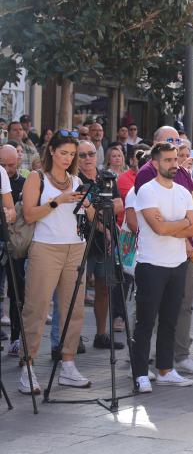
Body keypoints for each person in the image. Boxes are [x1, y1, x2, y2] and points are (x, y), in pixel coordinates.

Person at [20, 130, 92, 394]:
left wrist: (90, 201)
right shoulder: (37, 178)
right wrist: (57, 201)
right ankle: (27, 368)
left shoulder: (75, 179)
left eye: (72, 154)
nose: (68, 158)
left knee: (73, 309)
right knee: (37, 309)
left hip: (75, 247)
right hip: (45, 247)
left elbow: (90, 214)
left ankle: (69, 365)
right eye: (63, 153)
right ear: (51, 151)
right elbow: (29, 215)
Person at [135, 126, 193, 376]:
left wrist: (176, 226)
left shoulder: (183, 190)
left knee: (170, 321)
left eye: (176, 159)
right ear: (155, 162)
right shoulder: (146, 188)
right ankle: (140, 373)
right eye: (168, 160)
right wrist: (181, 225)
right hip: (152, 264)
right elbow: (158, 228)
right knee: (145, 323)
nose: (174, 164)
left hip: (178, 264)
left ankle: (165, 369)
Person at [77, 140, 125, 350]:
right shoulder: (74, 180)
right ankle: (73, 337)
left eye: (91, 153)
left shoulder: (106, 177)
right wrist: (101, 216)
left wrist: (96, 209)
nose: (87, 158)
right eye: (82, 155)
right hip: (80, 239)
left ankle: (101, 334)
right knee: (77, 290)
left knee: (104, 287)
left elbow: (119, 204)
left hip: (105, 240)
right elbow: (85, 213)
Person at [0, 145, 24, 356]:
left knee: (15, 291)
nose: (6, 169)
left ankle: (16, 337)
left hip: (14, 244)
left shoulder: (25, 183)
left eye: (11, 165)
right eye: (3, 165)